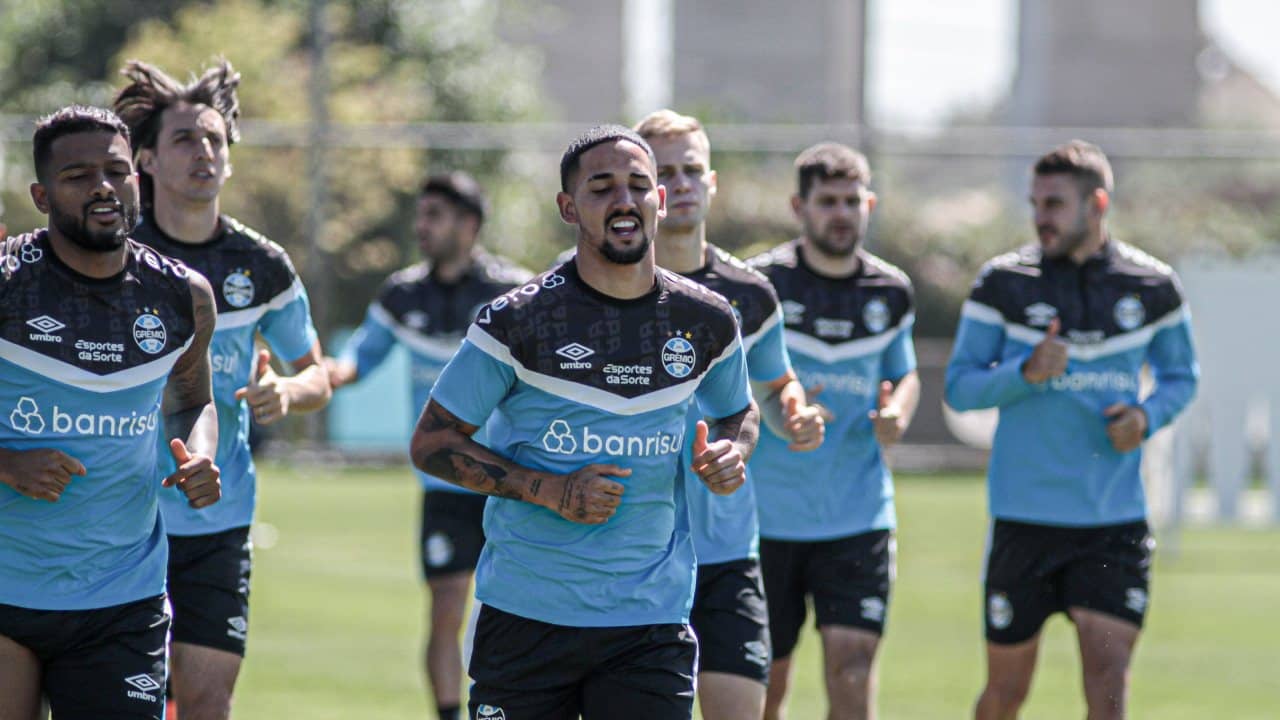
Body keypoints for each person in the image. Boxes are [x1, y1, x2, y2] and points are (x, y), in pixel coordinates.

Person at [410, 125, 759, 720]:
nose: (624, 200)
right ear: (568, 207)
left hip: (649, 623)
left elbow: (738, 412)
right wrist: (549, 490)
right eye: (602, 188)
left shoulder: (707, 321)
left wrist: (731, 452)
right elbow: (433, 443)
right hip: (526, 617)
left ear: (661, 201)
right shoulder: (518, 321)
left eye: (638, 186)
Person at [945, 140, 1198, 720]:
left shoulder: (1152, 286)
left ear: (1098, 203)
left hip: (1112, 524)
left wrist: (1146, 417)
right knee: (1006, 693)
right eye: (1035, 202)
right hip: (1024, 520)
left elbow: (1182, 377)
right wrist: (1026, 372)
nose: (1041, 217)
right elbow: (960, 387)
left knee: (1108, 687)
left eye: (1055, 204)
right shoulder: (1002, 283)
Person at [113, 59, 331, 719]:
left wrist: (287, 394)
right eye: (184, 139)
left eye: (215, 140)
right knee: (127, 700)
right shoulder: (113, 256)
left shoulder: (261, 264)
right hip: (118, 516)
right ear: (145, 159)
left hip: (220, 515)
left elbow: (317, 371)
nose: (204, 152)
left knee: (207, 700)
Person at [0, 105, 220, 720]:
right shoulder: (7, 285)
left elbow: (193, 401)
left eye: (116, 171)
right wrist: (8, 464)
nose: (102, 186)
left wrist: (200, 452)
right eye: (78, 176)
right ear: (42, 196)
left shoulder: (183, 295)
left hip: (122, 598)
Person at [634, 109, 824, 720]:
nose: (681, 183)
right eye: (665, 171)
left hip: (727, 549)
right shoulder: (601, 288)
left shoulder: (750, 294)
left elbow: (775, 383)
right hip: (630, 554)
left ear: (711, 183)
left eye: (692, 169)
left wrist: (795, 411)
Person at [325, 172, 531, 720]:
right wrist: (316, 377)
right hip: (444, 482)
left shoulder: (513, 293)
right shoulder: (402, 294)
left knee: (515, 614)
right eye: (421, 214)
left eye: (435, 215)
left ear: (470, 225)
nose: (422, 226)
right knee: (446, 610)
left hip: (509, 483)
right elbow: (357, 360)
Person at [747, 143, 920, 720]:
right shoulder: (758, 285)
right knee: (766, 682)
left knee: (852, 667)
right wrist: (777, 410)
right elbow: (729, 380)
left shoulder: (890, 292)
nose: (842, 213)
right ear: (800, 206)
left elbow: (904, 374)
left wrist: (898, 416)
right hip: (767, 518)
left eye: (852, 201)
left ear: (869, 204)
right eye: (828, 201)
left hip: (858, 514)